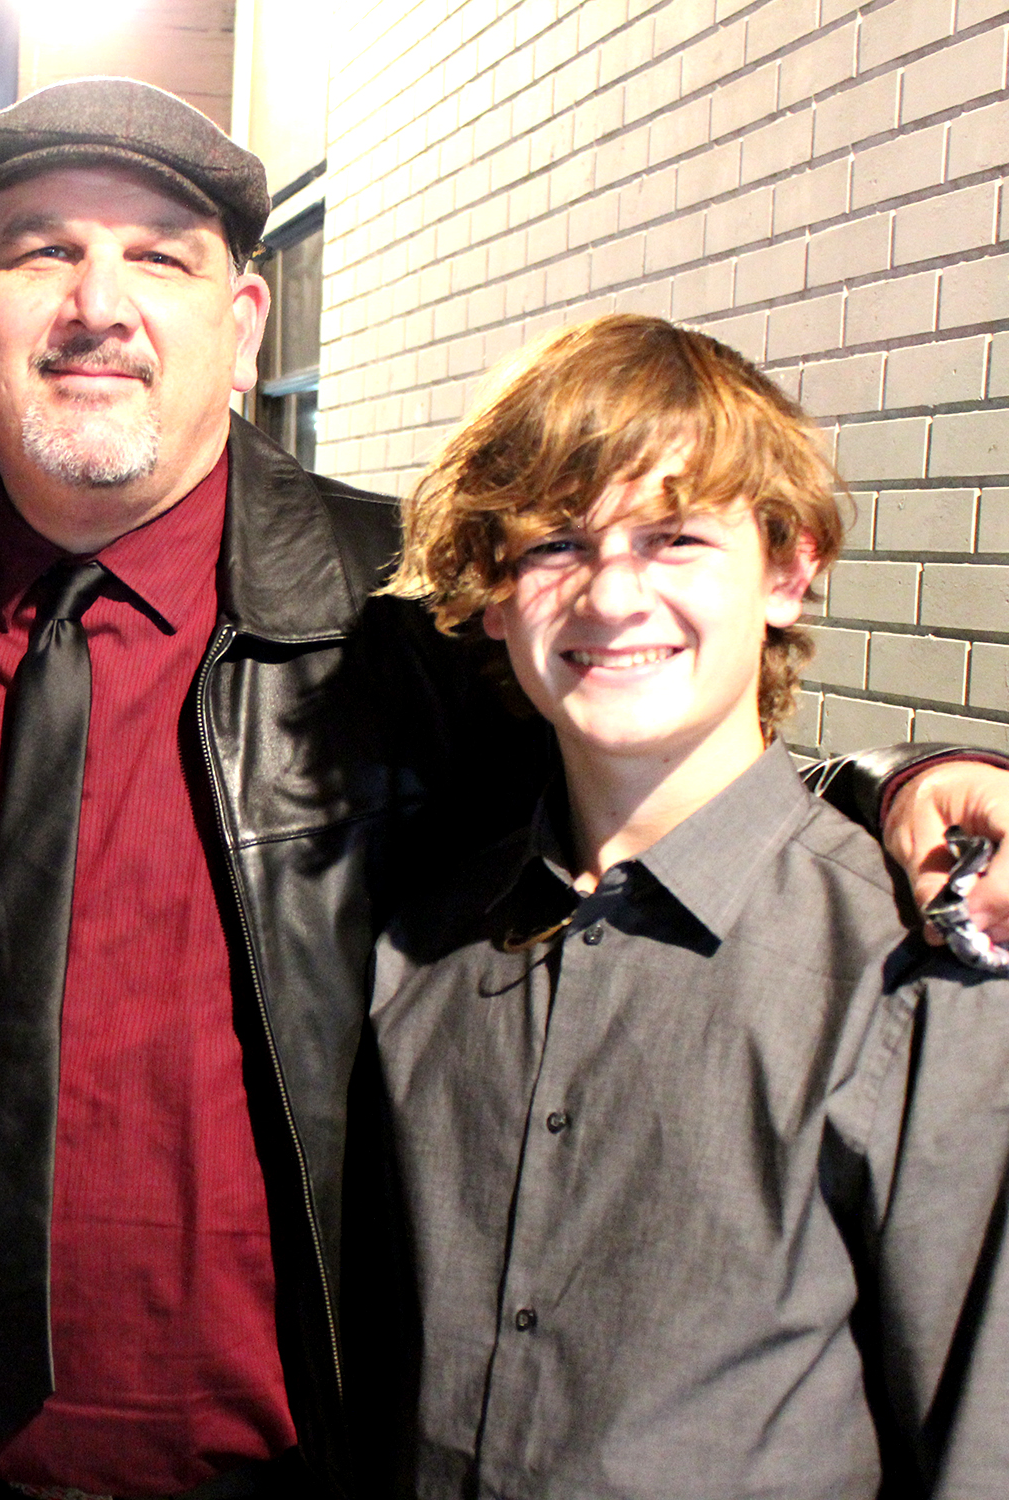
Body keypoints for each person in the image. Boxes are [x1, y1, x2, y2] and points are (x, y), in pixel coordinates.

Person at [0, 77, 1009, 1500]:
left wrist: (909, 793)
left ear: (242, 332)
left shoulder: (407, 614)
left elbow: (647, 753)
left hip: (296, 1468)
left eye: (162, 260)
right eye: (41, 249)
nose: (97, 305)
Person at [367, 313, 1009, 1496]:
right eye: (556, 544)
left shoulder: (915, 971)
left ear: (788, 568)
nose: (613, 595)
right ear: (495, 598)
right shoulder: (421, 944)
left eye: (673, 537)